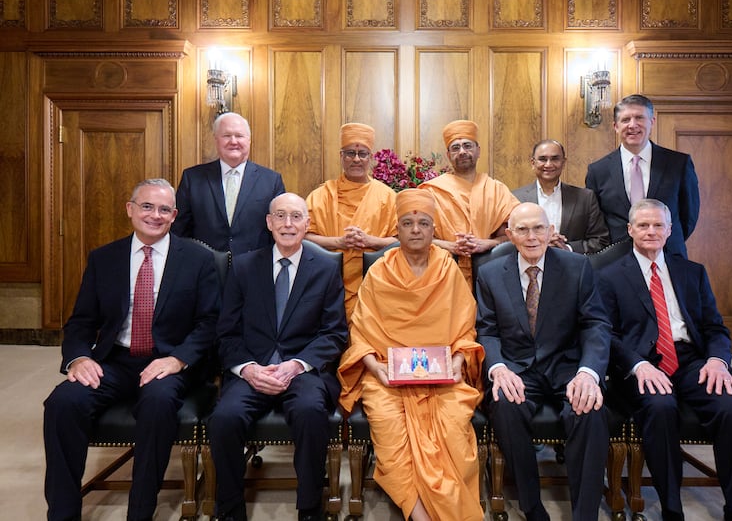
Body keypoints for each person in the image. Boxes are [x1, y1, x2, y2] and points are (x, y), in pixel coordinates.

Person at [43, 178, 221, 521]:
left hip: (167, 362)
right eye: (147, 206)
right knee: (63, 403)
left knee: (158, 402)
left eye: (164, 209)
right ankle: (63, 513)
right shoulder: (104, 259)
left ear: (174, 216)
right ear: (130, 209)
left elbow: (211, 322)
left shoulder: (198, 259)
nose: (155, 215)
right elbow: (81, 321)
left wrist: (178, 358)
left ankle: (140, 511)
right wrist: (79, 358)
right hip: (114, 360)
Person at [597, 198, 732, 521]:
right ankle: (672, 509)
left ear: (670, 230)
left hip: (692, 361)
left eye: (658, 225)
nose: (651, 231)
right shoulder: (609, 276)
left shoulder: (691, 272)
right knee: (660, 407)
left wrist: (717, 361)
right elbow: (605, 334)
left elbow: (715, 327)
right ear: (630, 230)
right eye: (643, 225)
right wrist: (637, 365)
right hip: (642, 364)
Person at [338, 189, 485, 521]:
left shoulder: (447, 269)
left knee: (452, 432)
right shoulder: (379, 272)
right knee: (390, 436)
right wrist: (377, 372)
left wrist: (458, 362)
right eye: (407, 223)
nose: (416, 229)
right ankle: (418, 514)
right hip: (388, 376)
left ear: (434, 229)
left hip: (444, 377)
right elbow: (361, 332)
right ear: (397, 229)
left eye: (423, 223)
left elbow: (465, 329)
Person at [208, 192, 348, 521]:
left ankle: (310, 507)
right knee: (225, 418)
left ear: (307, 224)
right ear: (269, 223)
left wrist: (297, 364)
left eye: (296, 217)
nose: (288, 224)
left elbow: (335, 333)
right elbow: (226, 332)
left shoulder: (326, 268)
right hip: (252, 368)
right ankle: (230, 508)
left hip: (302, 370)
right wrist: (248, 369)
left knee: (311, 412)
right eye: (280, 216)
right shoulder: (243, 266)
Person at [475, 202, 611, 521]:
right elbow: (487, 329)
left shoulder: (577, 267)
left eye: (539, 228)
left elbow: (596, 324)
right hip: (518, 369)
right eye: (522, 229)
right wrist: (498, 368)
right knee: (505, 405)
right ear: (510, 235)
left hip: (569, 368)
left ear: (551, 232)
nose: (532, 236)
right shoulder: (491, 273)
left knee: (589, 409)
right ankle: (532, 506)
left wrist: (589, 373)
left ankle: (585, 514)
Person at [585, 94, 700, 257]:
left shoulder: (678, 164)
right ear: (615, 126)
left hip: (668, 257)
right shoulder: (598, 170)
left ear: (652, 122)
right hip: (615, 261)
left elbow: (688, 217)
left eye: (639, 117)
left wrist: (659, 239)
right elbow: (595, 223)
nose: (633, 125)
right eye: (625, 120)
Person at [305, 122, 397, 319]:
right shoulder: (321, 195)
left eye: (362, 154)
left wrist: (370, 241)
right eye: (350, 153)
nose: (356, 159)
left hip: (375, 284)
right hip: (326, 285)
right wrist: (338, 242)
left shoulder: (387, 196)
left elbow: (401, 241)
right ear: (341, 157)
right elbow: (303, 238)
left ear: (370, 158)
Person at [419, 119, 519, 281]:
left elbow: (516, 233)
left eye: (467, 145)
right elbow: (416, 236)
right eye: (455, 148)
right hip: (441, 271)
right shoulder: (431, 191)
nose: (462, 152)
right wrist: (451, 246)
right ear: (448, 155)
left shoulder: (496, 189)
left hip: (491, 271)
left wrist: (487, 244)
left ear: (478, 151)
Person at [173, 112, 286, 254]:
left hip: (255, 269)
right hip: (205, 269)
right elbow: (179, 230)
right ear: (216, 140)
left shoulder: (271, 181)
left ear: (249, 140)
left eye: (239, 136)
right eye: (226, 136)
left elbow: (280, 228)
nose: (233, 141)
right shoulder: (193, 178)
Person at [513, 139, 610, 254]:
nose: (548, 164)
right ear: (533, 163)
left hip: (571, 267)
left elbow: (601, 240)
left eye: (555, 159)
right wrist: (538, 243)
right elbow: (508, 240)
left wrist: (567, 248)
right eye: (543, 159)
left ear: (563, 163)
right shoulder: (515, 198)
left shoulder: (585, 198)